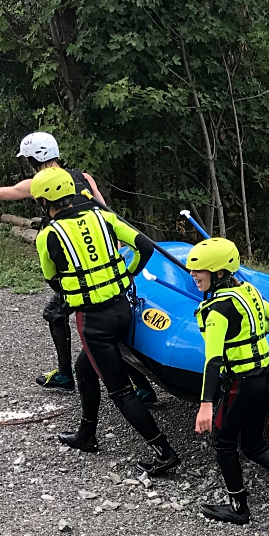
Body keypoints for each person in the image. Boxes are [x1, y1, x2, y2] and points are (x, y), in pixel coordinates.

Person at [0, 133, 157, 403]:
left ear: (33, 159)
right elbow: (107, 213)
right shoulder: (84, 178)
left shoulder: (37, 183)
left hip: (77, 270)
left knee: (72, 318)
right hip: (106, 263)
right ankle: (135, 384)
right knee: (100, 319)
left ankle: (73, 376)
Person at [31, 169, 180, 474]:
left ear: (45, 202)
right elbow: (146, 246)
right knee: (84, 369)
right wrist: (129, 273)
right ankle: (86, 435)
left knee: (120, 391)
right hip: (122, 309)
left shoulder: (48, 236)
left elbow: (52, 279)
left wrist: (78, 290)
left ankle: (164, 451)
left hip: (94, 322)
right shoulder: (103, 217)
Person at [188, 237, 269, 527]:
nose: (193, 276)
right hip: (262, 379)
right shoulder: (247, 291)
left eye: (199, 272)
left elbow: (213, 360)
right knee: (253, 443)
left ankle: (238, 508)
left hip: (239, 384)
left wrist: (206, 404)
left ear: (220, 273)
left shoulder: (216, 311)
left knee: (223, 442)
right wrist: (250, 336)